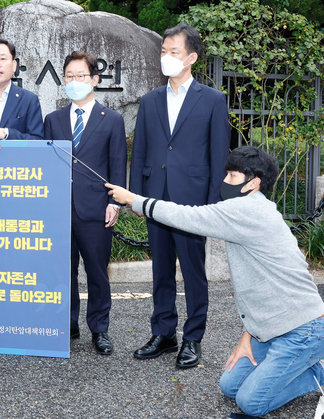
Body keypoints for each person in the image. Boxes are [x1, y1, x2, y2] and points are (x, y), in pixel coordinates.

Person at [107, 146, 324, 416]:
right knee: (230, 386)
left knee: (251, 403)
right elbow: (268, 284)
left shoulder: (247, 211)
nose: (224, 182)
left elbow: (188, 216)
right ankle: (297, 364)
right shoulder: (253, 209)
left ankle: (317, 372)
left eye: (232, 177)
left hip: (302, 331)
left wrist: (133, 199)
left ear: (253, 183)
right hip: (272, 329)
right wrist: (250, 334)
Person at [128, 24, 230, 368]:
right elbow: (140, 151)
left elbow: (219, 156)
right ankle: (164, 332)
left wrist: (213, 203)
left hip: (192, 201)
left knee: (193, 270)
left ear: (191, 58)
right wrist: (137, 198)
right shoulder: (150, 100)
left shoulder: (213, 101)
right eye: (163, 51)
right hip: (155, 197)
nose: (166, 58)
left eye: (174, 52)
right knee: (160, 271)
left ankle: (193, 338)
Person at [44, 51, 127, 355]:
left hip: (96, 210)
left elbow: (118, 164)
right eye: (69, 76)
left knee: (96, 271)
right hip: (60, 211)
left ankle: (100, 329)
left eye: (81, 76)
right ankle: (68, 323)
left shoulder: (112, 120)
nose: (74, 81)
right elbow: (47, 165)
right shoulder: (52, 120)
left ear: (94, 80)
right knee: (63, 271)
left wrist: (114, 203)